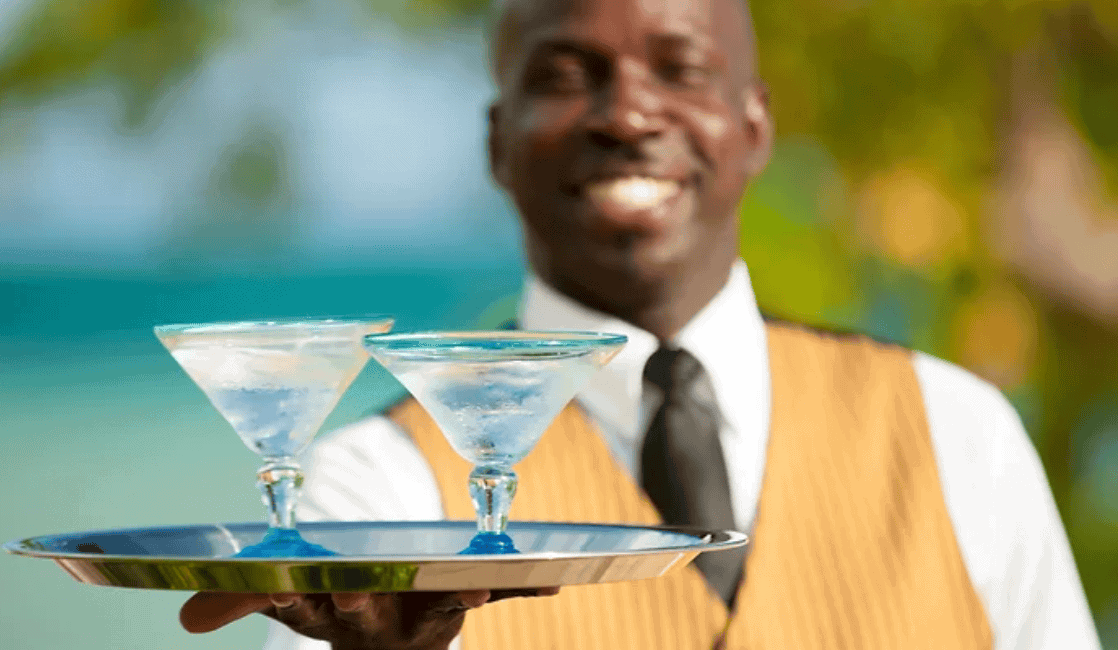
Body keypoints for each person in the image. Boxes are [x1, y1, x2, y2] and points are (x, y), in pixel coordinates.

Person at [180, 0, 1101, 647]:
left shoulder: (958, 431)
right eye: (566, 75)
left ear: (753, 127)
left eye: (681, 67)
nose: (626, 114)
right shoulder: (378, 492)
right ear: (498, 141)